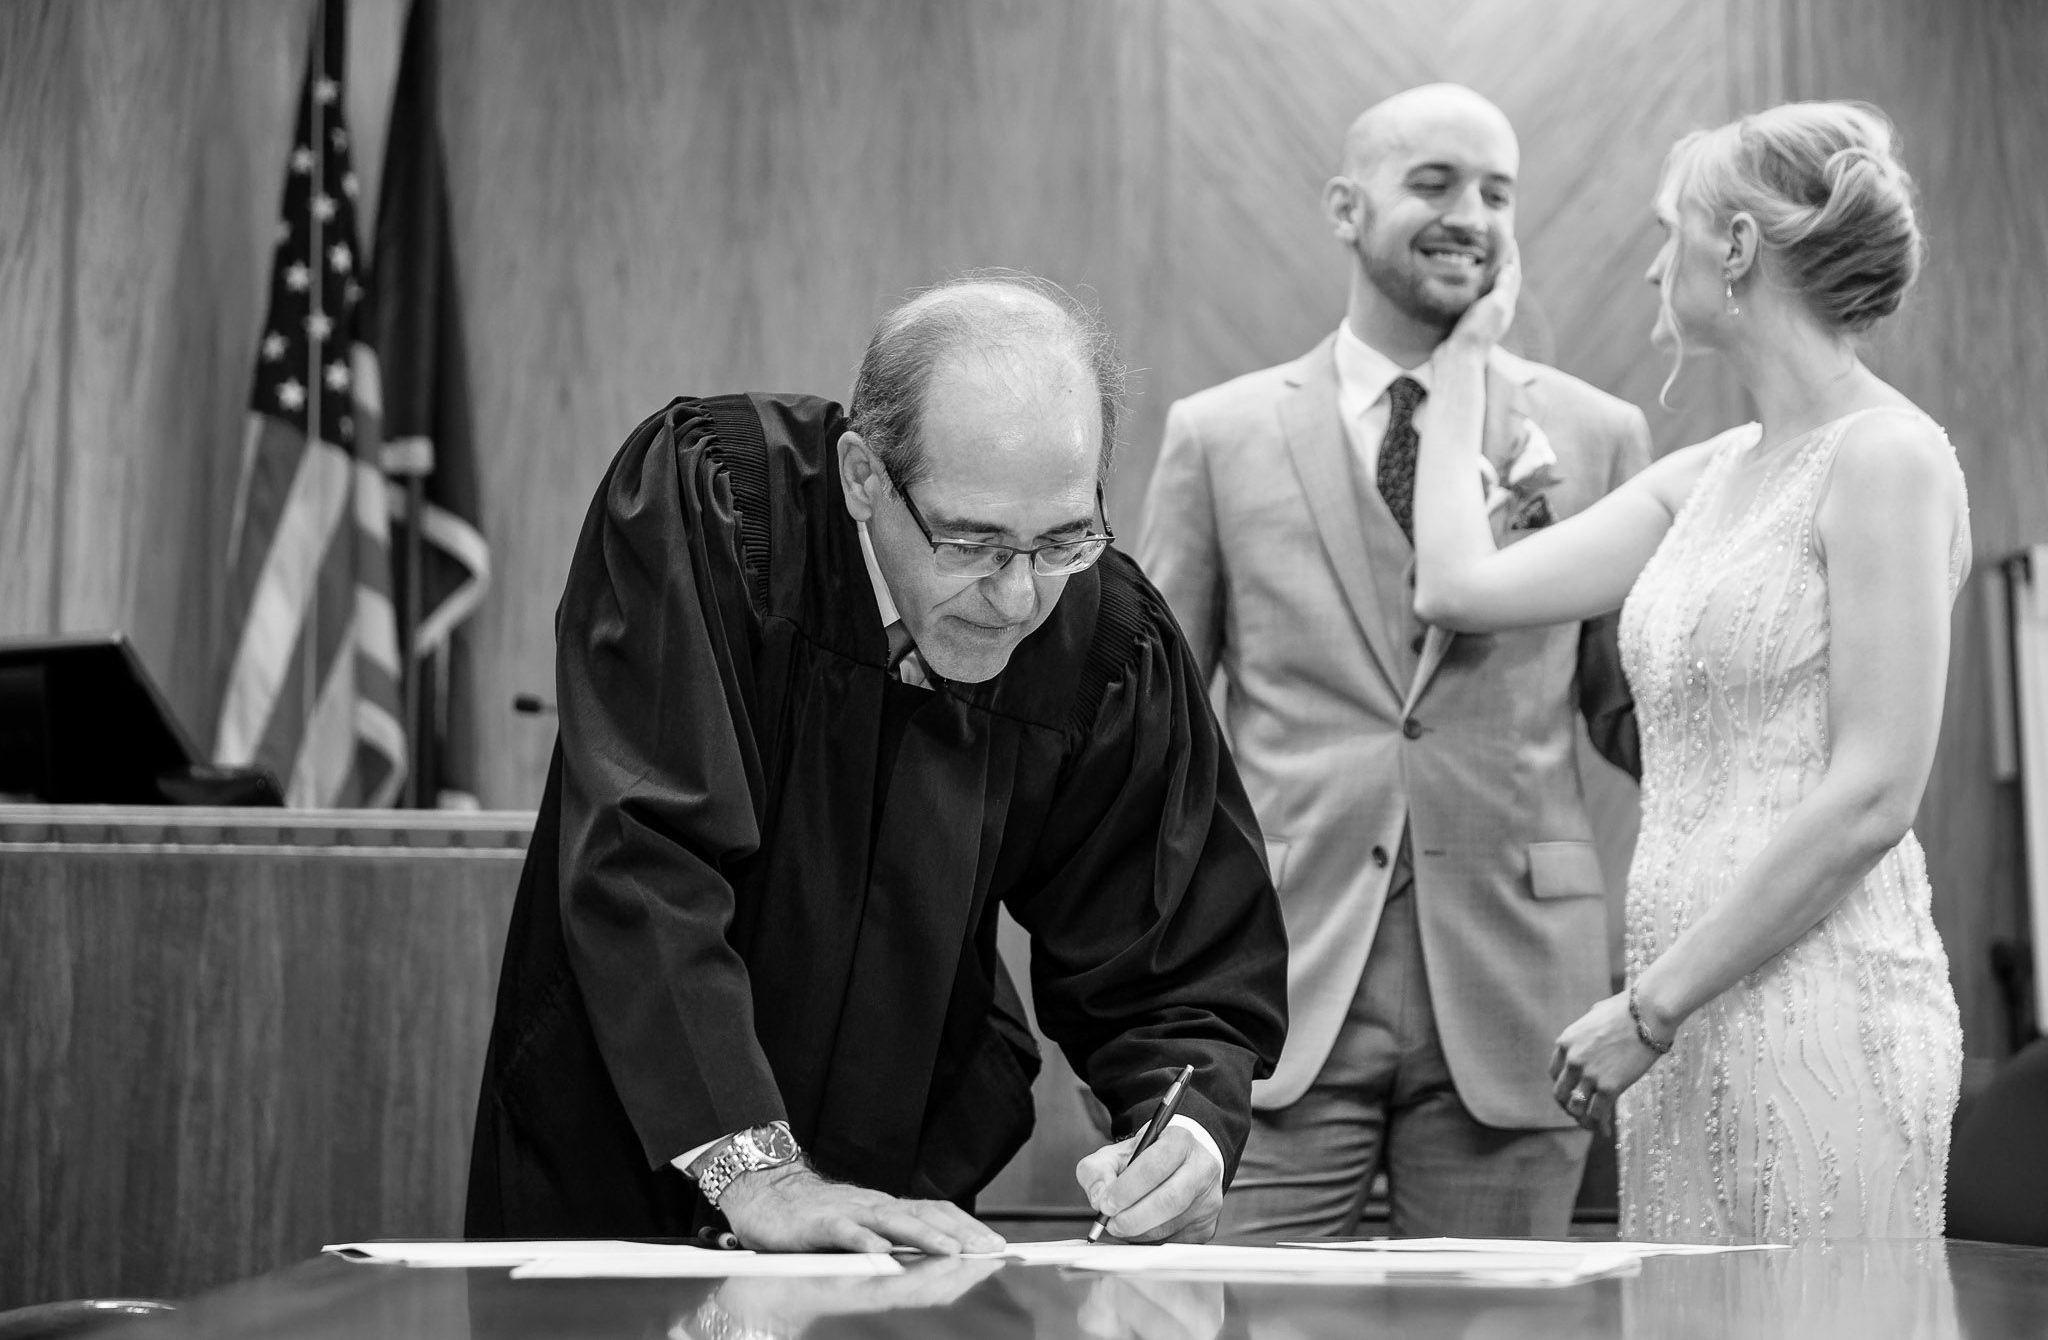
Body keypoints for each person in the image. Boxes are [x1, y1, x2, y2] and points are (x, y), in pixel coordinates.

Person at [466, 275, 1289, 1252]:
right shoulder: (723, 514)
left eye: (1061, 538)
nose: (1019, 598)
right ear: (863, 474)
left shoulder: (1102, 635)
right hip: (630, 1170)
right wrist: (758, 1175)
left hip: (901, 1207)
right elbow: (647, 858)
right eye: (971, 541)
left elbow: (1172, 952)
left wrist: (1181, 1129)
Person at [1410, 100, 1966, 1242]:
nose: (1651, 263)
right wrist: (1460, 365)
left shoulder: (1888, 458)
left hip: (1817, 1001)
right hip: (1671, 1023)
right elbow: (1455, 586)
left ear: (1738, 249)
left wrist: (1650, 1008)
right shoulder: (1705, 476)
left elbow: (1871, 797)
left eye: (1670, 230)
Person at [1138, 83, 1650, 1241]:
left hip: (1521, 994)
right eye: (1432, 182)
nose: (1468, 213)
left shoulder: (1593, 435)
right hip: (1278, 992)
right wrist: (1153, 993)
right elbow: (1153, 735)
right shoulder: (1217, 435)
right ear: (1341, 205)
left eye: (1496, 192)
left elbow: (1630, 710)